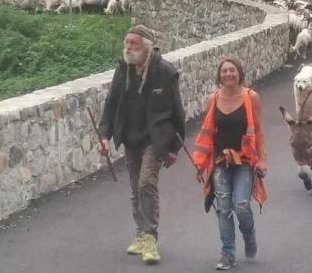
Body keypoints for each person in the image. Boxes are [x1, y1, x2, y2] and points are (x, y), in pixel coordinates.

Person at [97, 25, 186, 265]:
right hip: (130, 137)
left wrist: (174, 148)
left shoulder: (164, 71)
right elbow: (111, 104)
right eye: (126, 43)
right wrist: (104, 135)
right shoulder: (122, 70)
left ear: (146, 46)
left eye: (133, 44)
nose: (128, 48)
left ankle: (150, 237)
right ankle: (140, 232)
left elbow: (178, 111)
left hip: (155, 139)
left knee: (147, 182)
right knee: (136, 187)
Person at [192, 58, 268, 270]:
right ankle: (228, 254)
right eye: (224, 71)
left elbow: (259, 130)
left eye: (231, 70)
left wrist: (262, 159)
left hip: (244, 161)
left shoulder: (250, 97)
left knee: (242, 206)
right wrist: (200, 163)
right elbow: (206, 133)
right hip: (220, 161)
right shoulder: (213, 99)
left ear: (239, 73)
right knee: (223, 208)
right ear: (219, 75)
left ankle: (249, 235)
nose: (228, 74)